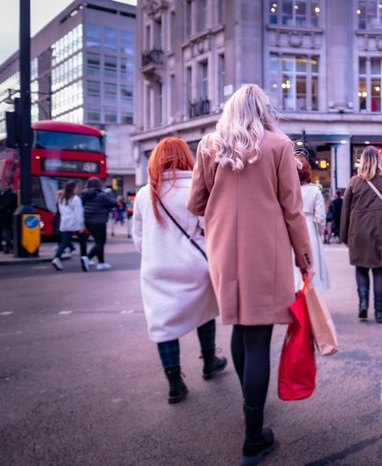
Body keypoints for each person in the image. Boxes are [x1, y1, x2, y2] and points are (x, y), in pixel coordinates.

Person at [186, 84, 314, 466]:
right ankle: (253, 435)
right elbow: (292, 209)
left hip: (225, 249)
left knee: (241, 330)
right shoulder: (278, 146)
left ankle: (250, 406)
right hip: (266, 251)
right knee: (258, 338)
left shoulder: (210, 145)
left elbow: (195, 202)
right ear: (264, 109)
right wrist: (304, 257)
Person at [132, 137, 227, 404]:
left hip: (156, 266)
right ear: (186, 156)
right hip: (194, 264)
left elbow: (138, 238)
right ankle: (210, 362)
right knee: (204, 311)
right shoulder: (195, 187)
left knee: (163, 324)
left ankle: (175, 383)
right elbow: (209, 228)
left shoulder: (145, 193)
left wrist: (156, 253)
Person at [340, 145, 382, 324]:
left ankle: (363, 304)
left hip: (358, 229)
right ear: (378, 159)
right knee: (379, 270)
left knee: (361, 266)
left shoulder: (354, 181)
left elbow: (345, 211)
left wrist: (344, 235)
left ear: (362, 160)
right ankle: (379, 312)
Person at [293, 156, 330, 292]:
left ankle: (296, 294)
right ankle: (312, 294)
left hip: (292, 228)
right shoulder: (314, 190)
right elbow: (320, 217)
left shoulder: (288, 189)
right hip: (310, 227)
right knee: (311, 261)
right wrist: (319, 232)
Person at [81, 177, 118, 270]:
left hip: (88, 221)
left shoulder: (84, 194)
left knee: (98, 242)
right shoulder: (102, 195)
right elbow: (114, 203)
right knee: (100, 242)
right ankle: (87, 257)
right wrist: (108, 193)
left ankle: (101, 263)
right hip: (99, 221)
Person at [51, 181, 88, 271]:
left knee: (64, 242)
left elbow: (61, 212)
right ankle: (84, 258)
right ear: (73, 188)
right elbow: (79, 213)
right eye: (76, 187)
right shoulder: (76, 199)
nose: (77, 189)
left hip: (64, 223)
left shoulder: (61, 199)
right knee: (82, 241)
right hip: (75, 223)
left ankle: (56, 258)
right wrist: (81, 225)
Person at [0, 180, 17, 254]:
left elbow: (6, 205)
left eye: (6, 186)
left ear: (10, 186)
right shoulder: (2, 194)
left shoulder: (12, 195)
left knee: (6, 234)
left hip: (8, 218)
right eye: (3, 186)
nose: (5, 187)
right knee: (4, 234)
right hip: (3, 217)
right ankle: (7, 248)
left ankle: (9, 248)